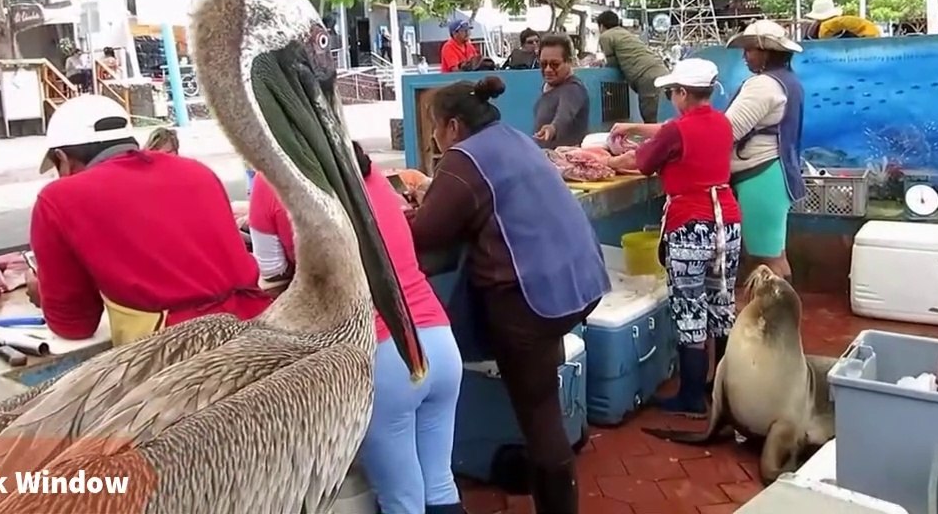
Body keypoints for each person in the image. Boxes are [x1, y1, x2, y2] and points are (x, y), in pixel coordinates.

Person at [410, 76, 610, 514]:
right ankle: (543, 473)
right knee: (541, 401)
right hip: (578, 282)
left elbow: (425, 232)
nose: (435, 139)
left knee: (539, 415)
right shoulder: (514, 138)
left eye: (436, 128)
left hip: (531, 299)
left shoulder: (464, 159)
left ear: (455, 126)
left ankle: (556, 501)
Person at [249, 142, 464, 514]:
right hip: (438, 342)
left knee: (402, 499)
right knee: (439, 483)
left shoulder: (271, 184)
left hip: (381, 358)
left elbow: (270, 276)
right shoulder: (368, 172)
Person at [27, 95, 270, 346]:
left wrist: (44, 292)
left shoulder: (59, 198)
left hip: (182, 350)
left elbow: (74, 325)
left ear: (62, 158)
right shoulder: (197, 171)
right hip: (262, 326)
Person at [606, 58, 741, 416]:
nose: (670, 97)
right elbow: (676, 135)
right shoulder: (723, 123)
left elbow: (644, 162)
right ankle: (723, 387)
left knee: (689, 305)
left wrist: (612, 161)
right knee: (721, 301)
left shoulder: (676, 131)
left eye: (671, 92)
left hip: (690, 222)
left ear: (682, 92)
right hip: (726, 220)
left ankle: (692, 396)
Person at [724, 20, 807, 281]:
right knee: (775, 255)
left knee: (765, 261)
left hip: (759, 177)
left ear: (766, 52)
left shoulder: (763, 85)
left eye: (749, 50)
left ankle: (773, 319)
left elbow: (727, 132)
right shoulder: (789, 81)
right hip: (775, 174)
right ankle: (782, 317)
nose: (744, 55)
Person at [595, 10, 669, 123]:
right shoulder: (625, 33)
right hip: (660, 69)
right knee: (665, 113)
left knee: (650, 116)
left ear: (601, 26)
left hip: (646, 75)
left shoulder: (606, 36)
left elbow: (612, 64)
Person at [532, 34, 589, 149]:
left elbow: (565, 114)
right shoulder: (548, 87)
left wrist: (552, 128)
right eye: (543, 64)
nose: (548, 69)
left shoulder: (573, 88)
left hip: (566, 161)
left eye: (554, 64)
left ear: (569, 61)